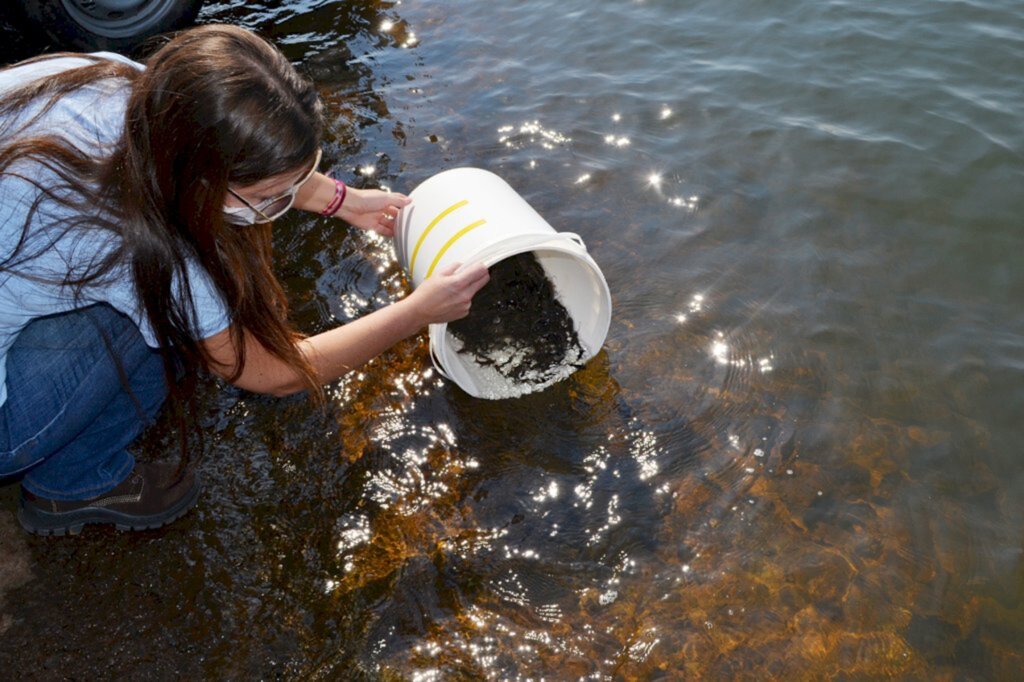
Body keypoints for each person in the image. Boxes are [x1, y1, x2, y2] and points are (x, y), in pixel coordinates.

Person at [0, 24, 490, 536]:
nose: (280, 203)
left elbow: (229, 153)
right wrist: (415, 313)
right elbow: (272, 373)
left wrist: (344, 201)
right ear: (202, 182)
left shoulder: (117, 83)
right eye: (273, 194)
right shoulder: (144, 251)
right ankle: (73, 484)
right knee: (165, 330)